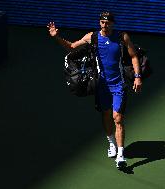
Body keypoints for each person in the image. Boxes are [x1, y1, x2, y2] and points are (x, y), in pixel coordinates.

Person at [47, 11, 142, 169]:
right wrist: (56, 36)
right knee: (106, 114)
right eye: (102, 22)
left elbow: (133, 56)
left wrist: (137, 77)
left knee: (117, 118)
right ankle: (111, 142)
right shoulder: (93, 37)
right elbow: (71, 47)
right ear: (100, 23)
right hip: (102, 85)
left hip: (119, 84)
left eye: (108, 23)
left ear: (113, 23)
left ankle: (120, 155)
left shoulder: (122, 37)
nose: (105, 25)